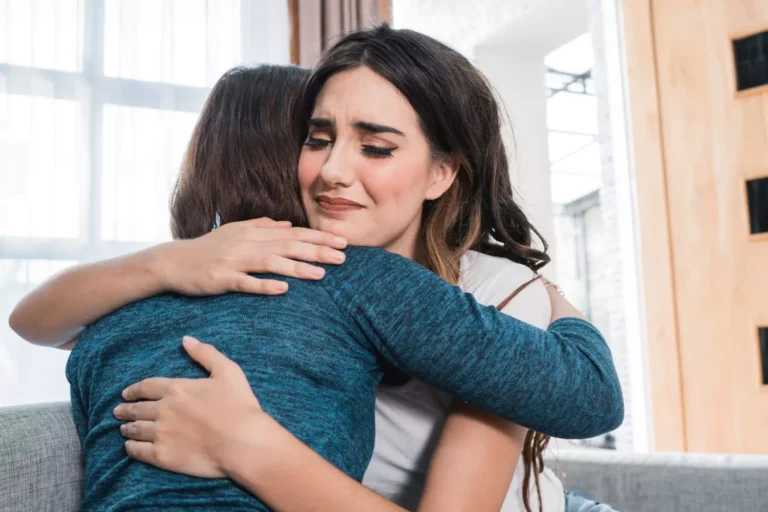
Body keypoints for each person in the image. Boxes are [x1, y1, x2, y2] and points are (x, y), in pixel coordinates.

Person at [9, 29, 621, 512]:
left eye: (376, 147)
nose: (333, 170)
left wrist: (245, 443)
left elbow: (592, 396)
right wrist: (176, 259)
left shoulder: (482, 290)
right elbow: (36, 318)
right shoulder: (262, 276)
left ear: (442, 172)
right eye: (316, 139)